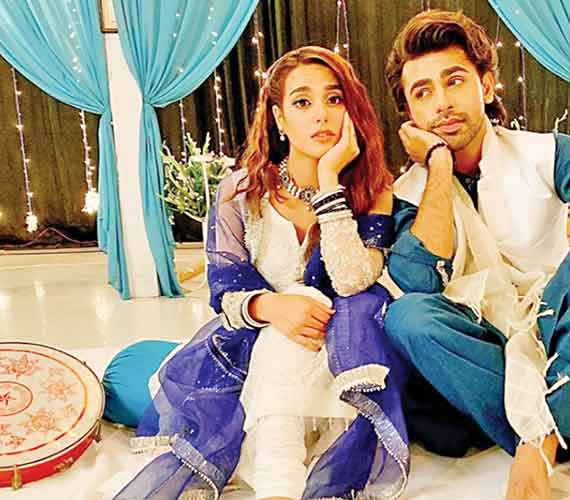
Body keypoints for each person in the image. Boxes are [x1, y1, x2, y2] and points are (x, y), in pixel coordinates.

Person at [380, 10, 570, 499]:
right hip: (479, 347)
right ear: (411, 115)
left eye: (454, 81)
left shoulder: (546, 152)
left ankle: (540, 439)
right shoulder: (409, 192)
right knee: (408, 317)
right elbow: (418, 283)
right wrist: (437, 166)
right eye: (423, 92)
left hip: (558, 326)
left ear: (486, 85)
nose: (442, 103)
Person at [114, 46, 409, 500]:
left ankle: (278, 485)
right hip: (257, 349)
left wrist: (330, 183)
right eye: (303, 102)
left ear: (351, 110)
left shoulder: (372, 189)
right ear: (279, 117)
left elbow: (352, 279)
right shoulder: (241, 190)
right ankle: (278, 482)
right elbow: (224, 291)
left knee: (317, 305)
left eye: (334, 99)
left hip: (345, 352)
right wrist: (271, 307)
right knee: (284, 329)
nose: (321, 114)